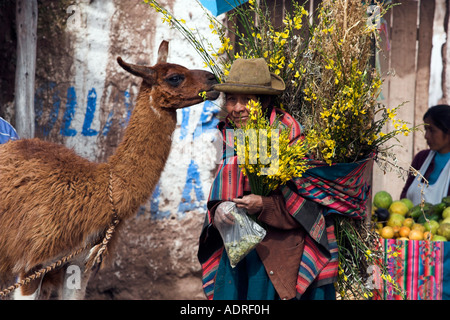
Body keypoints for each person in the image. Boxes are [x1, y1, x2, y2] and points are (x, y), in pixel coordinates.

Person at [197, 58, 337, 300]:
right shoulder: (231, 135)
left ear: (265, 102)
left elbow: (308, 209)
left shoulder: (281, 135)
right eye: (231, 99)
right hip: (238, 250)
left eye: (247, 100)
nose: (237, 108)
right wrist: (219, 210)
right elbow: (224, 192)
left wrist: (264, 205)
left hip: (278, 255)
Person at [401, 104, 450, 205]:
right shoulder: (421, 158)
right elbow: (405, 197)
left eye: (432, 130)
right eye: (425, 130)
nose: (426, 136)